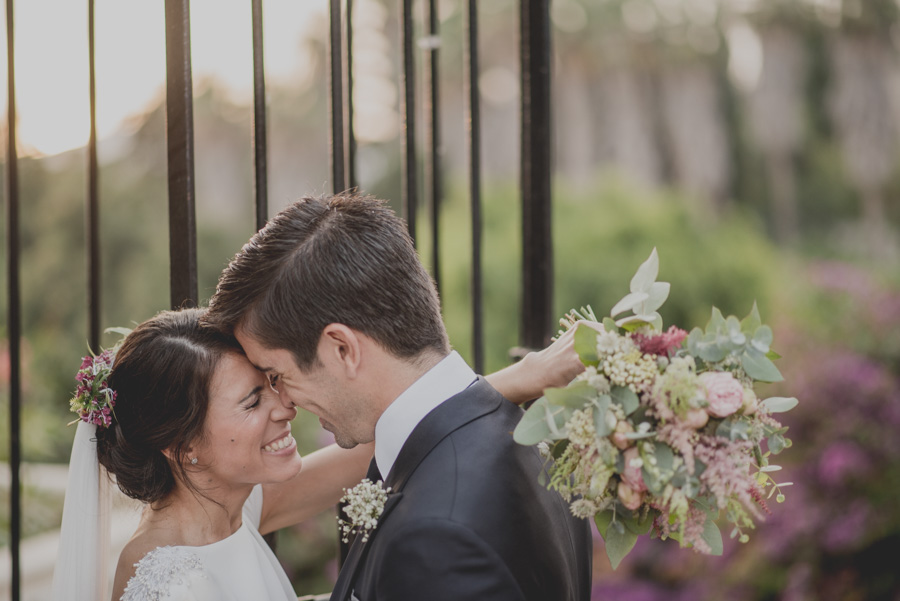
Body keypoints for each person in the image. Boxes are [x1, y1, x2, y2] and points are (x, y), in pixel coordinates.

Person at [204, 191, 594, 601]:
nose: (284, 401)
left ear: (342, 349)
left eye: (277, 375)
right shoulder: (531, 443)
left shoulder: (436, 540)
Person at [52, 307, 587, 601]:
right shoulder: (167, 584)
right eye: (252, 400)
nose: (285, 406)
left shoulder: (237, 510)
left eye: (272, 382)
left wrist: (524, 377)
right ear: (183, 446)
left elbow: (400, 432)